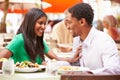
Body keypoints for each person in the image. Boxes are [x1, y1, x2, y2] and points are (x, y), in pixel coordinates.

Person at [0, 8, 80, 68]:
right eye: (40, 23)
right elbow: (1, 59)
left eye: (45, 24)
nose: (44, 27)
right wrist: (11, 69)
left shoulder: (38, 41)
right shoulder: (20, 39)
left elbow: (56, 58)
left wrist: (71, 59)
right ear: (31, 23)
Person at [65, 3, 120, 74]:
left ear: (82, 22)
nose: (68, 27)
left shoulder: (104, 41)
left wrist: (88, 74)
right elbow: (77, 65)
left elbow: (115, 69)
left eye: (70, 22)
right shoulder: (77, 40)